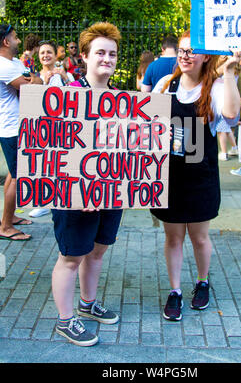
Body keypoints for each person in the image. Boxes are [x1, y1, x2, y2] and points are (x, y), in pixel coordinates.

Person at [150, 30, 241, 321]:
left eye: (192, 51)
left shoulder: (214, 87)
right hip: (170, 176)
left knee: (199, 238)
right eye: (182, 49)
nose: (185, 55)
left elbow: (231, 115)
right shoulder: (166, 84)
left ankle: (203, 282)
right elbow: (146, 121)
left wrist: (229, 73)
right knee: (173, 236)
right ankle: (175, 290)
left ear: (205, 56)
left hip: (201, 176)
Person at [52, 22, 123, 346]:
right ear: (84, 56)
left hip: (111, 193)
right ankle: (66, 321)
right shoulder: (65, 96)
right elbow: (50, 150)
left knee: (97, 252)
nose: (106, 59)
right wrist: (77, 188)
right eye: (100, 53)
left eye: (111, 53)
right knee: (71, 257)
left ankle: (87, 303)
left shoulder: (123, 101)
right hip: (74, 195)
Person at [0, 24, 42, 241]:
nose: (18, 40)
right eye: (15, 37)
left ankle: (9, 217)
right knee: (19, 177)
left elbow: (35, 78)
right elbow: (33, 86)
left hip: (17, 127)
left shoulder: (14, 63)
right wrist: (33, 79)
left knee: (12, 174)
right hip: (11, 129)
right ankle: (5, 227)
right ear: (6, 41)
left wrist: (33, 78)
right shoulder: (4, 66)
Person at [29, 41, 69, 218]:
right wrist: (43, 82)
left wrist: (66, 78)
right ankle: (44, 202)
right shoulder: (34, 76)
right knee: (43, 165)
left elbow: (76, 94)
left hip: (61, 126)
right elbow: (31, 100)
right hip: (41, 127)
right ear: (38, 56)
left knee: (60, 164)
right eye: (42, 53)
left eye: (49, 52)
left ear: (55, 55)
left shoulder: (63, 75)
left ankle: (61, 198)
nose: (45, 55)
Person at [215, 55, 239, 160]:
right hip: (230, 104)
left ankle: (224, 153)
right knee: (226, 128)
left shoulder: (226, 75)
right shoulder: (236, 74)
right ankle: (234, 147)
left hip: (223, 104)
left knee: (221, 130)